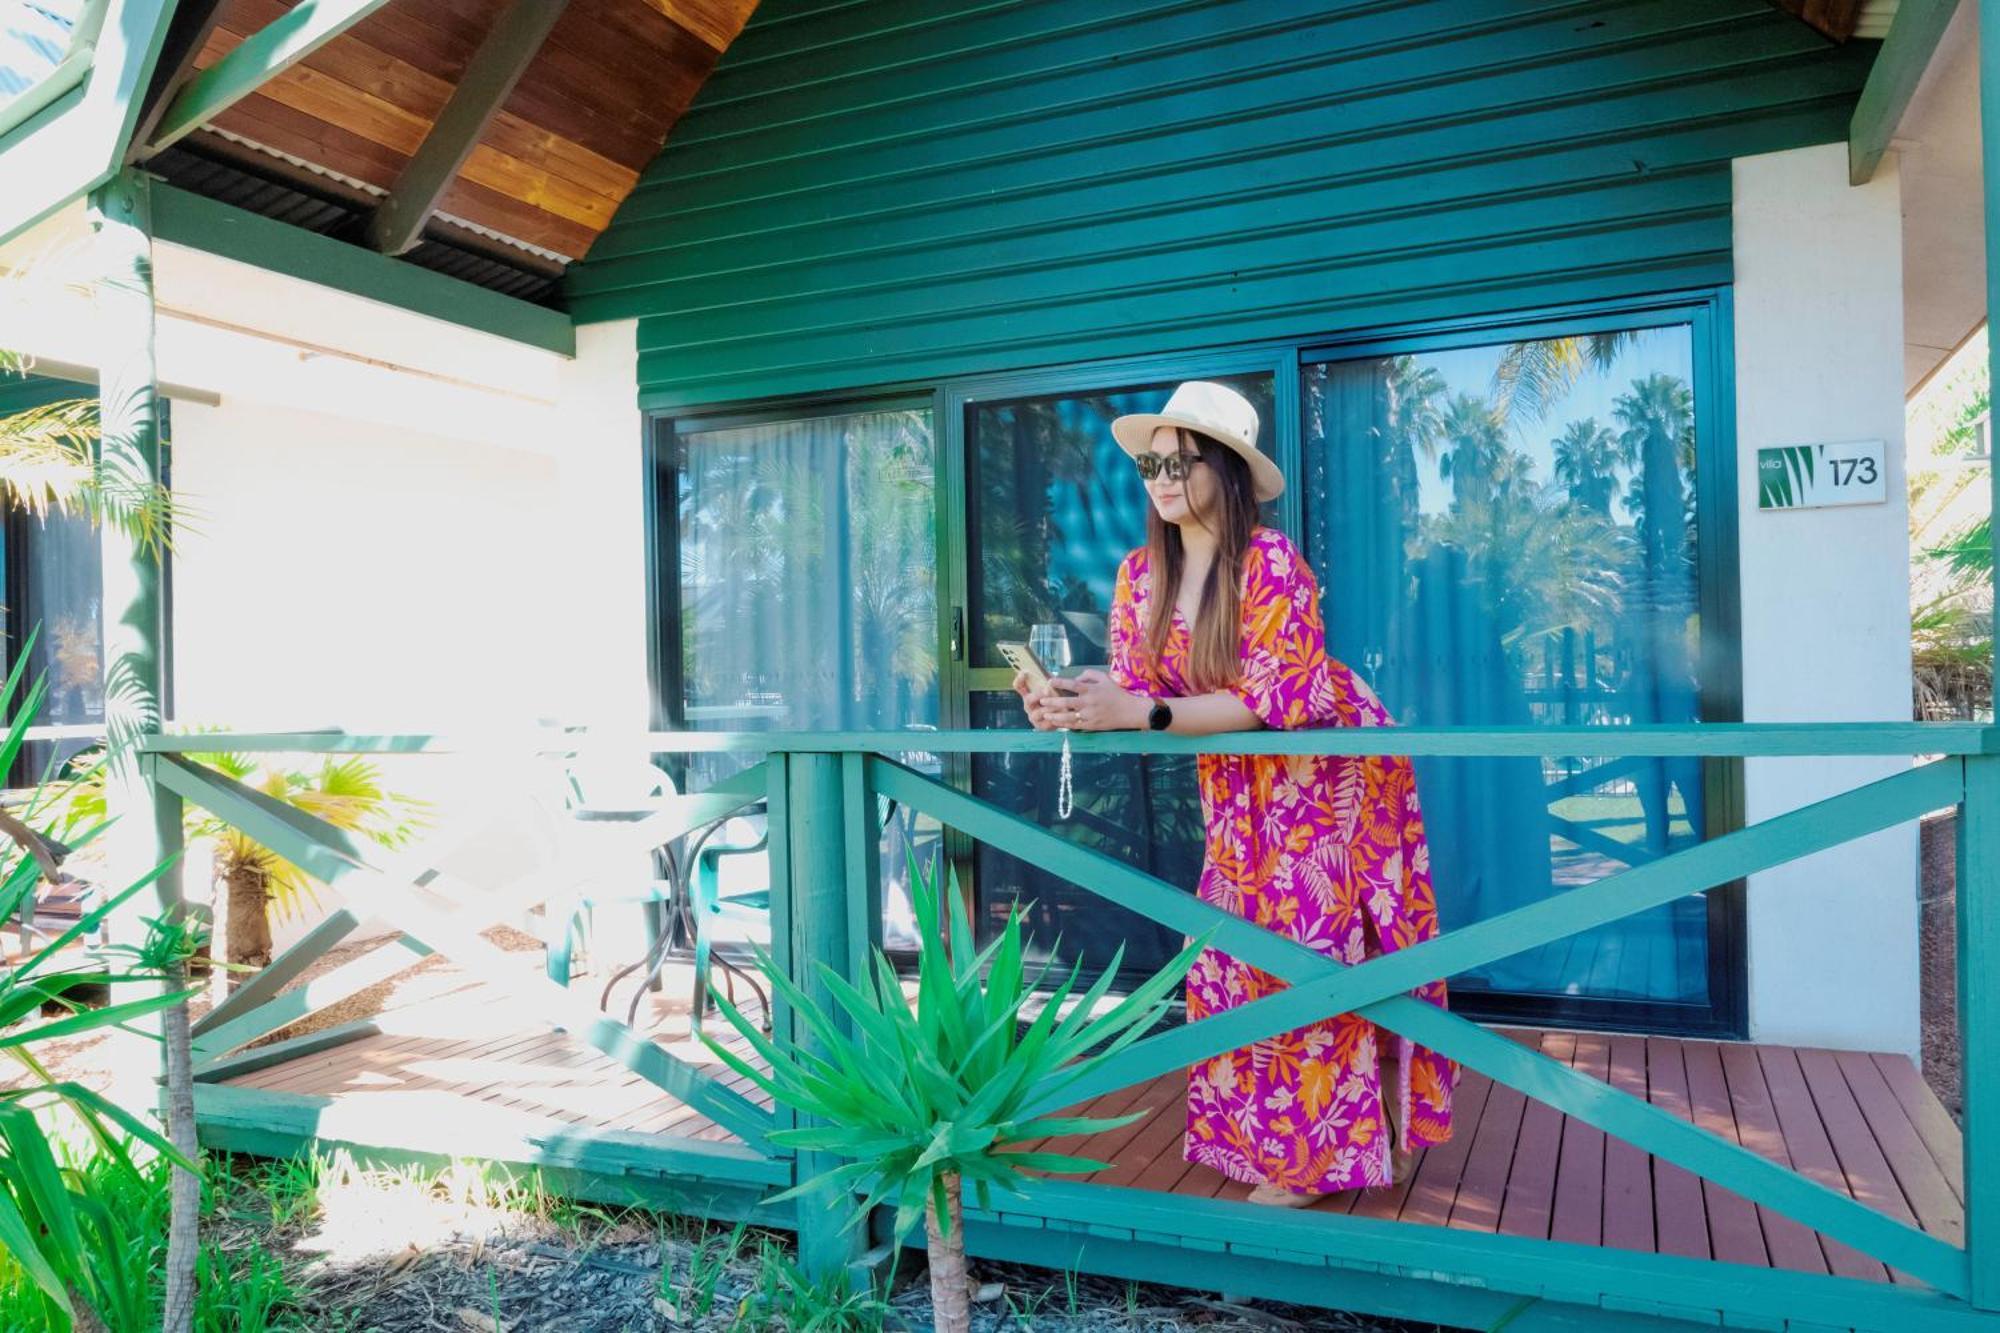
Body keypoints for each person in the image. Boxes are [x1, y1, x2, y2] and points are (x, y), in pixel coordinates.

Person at [1012, 381, 1455, 1205]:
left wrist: (1138, 710)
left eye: (1180, 460)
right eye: (1150, 461)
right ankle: (1290, 1132)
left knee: (1316, 948)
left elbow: (1270, 699)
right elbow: (1139, 687)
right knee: (1229, 958)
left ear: (1224, 467)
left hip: (1324, 772)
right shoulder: (1139, 574)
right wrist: (1073, 698)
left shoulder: (1273, 564)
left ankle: (1319, 1152)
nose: (1161, 475)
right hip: (1237, 784)